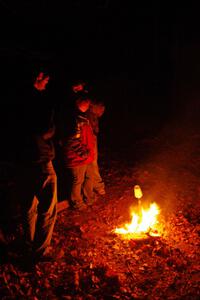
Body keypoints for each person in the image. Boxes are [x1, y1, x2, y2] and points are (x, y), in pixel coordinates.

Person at [14, 70, 58, 264]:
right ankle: (40, 252)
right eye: (46, 76)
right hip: (39, 160)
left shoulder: (14, 97)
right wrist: (51, 132)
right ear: (38, 76)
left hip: (21, 162)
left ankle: (28, 243)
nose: (48, 80)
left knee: (28, 206)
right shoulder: (38, 102)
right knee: (48, 209)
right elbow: (45, 131)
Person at [60, 95, 96, 210]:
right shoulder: (73, 118)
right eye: (84, 102)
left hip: (86, 155)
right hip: (77, 157)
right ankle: (77, 203)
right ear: (78, 103)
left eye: (88, 102)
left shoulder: (83, 117)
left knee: (88, 177)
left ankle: (89, 198)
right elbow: (70, 140)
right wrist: (83, 153)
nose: (87, 104)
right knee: (78, 180)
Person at [87, 100, 106, 196]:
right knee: (92, 162)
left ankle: (94, 186)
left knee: (93, 162)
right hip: (88, 139)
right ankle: (97, 186)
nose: (102, 112)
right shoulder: (88, 114)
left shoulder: (93, 115)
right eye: (101, 110)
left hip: (92, 138)